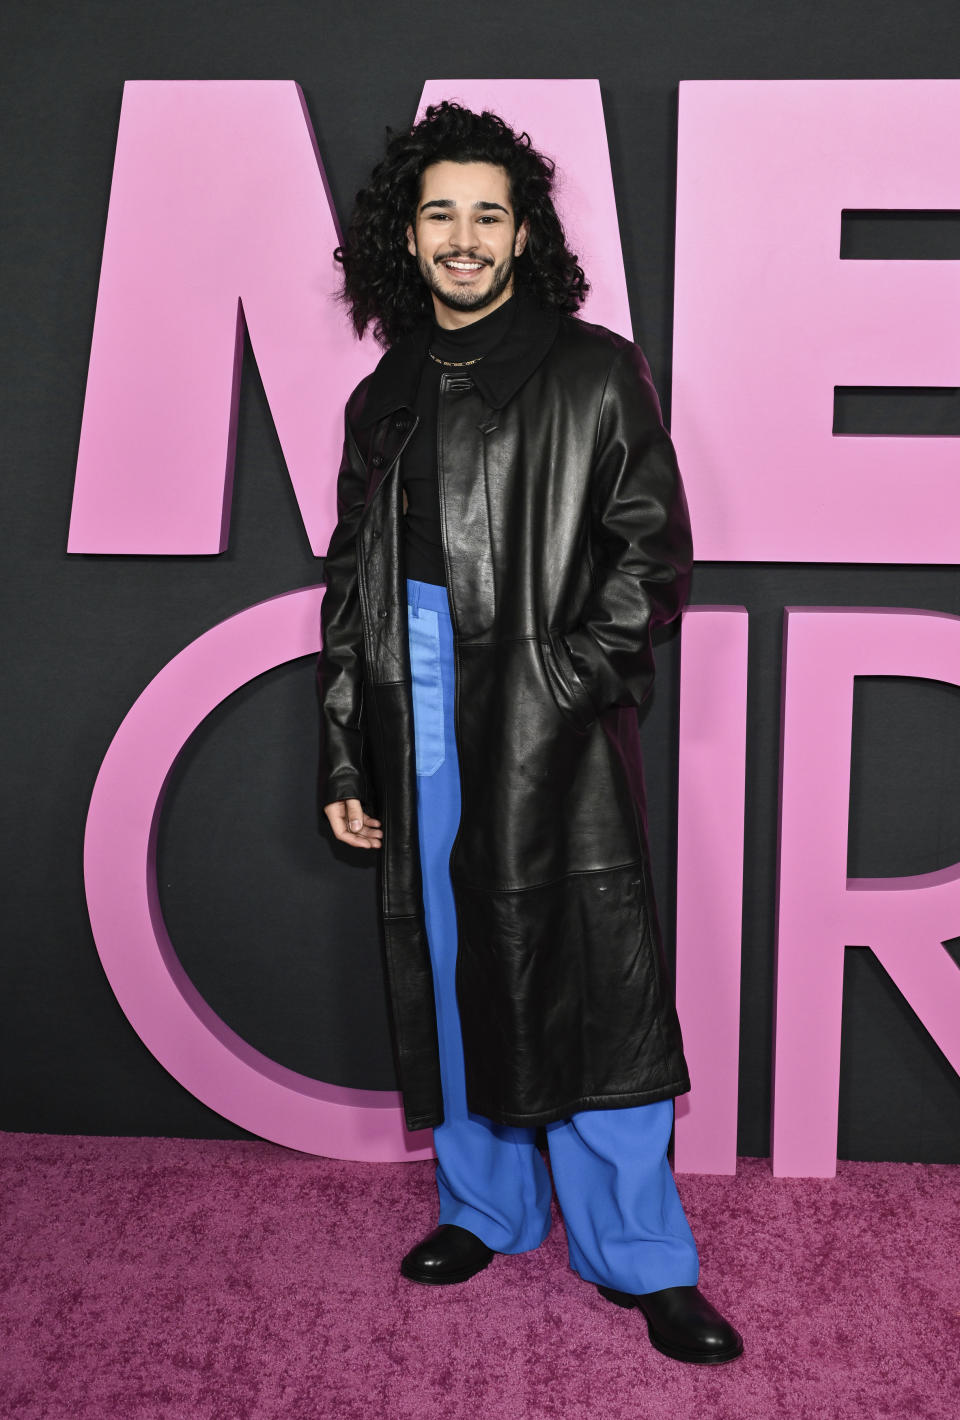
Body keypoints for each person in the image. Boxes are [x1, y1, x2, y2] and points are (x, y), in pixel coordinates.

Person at [317, 100, 742, 1366]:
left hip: (546, 705)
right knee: (452, 960)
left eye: (486, 214)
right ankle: (486, 1208)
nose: (462, 236)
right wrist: (347, 742)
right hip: (416, 698)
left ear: (521, 234)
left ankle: (642, 1253)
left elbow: (651, 557)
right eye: (439, 211)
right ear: (410, 231)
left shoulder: (594, 368)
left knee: (593, 976)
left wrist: (566, 678)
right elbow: (349, 583)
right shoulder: (381, 394)